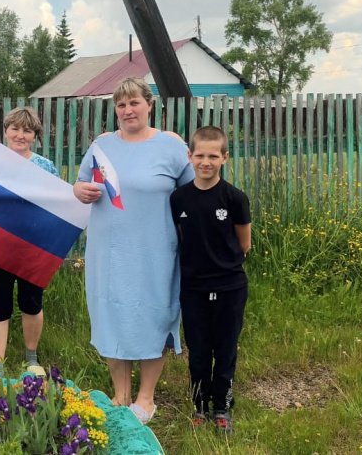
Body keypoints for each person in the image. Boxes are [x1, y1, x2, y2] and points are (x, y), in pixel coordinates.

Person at [73, 77, 194, 425]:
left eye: (134, 103)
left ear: (149, 104)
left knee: (152, 316)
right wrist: (80, 189)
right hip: (108, 252)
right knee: (112, 316)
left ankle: (146, 398)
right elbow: (81, 181)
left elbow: (193, 195)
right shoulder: (102, 145)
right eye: (121, 105)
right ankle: (121, 393)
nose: (128, 110)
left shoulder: (171, 147)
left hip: (156, 251)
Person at [169, 125, 251, 434]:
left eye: (213, 156)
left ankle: (222, 407)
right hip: (193, 288)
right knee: (199, 351)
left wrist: (223, 267)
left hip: (230, 287)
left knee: (225, 349)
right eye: (200, 155)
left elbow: (244, 244)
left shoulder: (235, 198)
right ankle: (199, 406)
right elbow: (181, 239)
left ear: (225, 158)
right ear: (189, 156)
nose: (206, 161)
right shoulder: (179, 199)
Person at [0, 107, 60, 378]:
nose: (20, 134)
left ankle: (31, 359)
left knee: (32, 303)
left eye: (27, 130)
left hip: (32, 248)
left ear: (34, 136)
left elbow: (57, 207)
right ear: (5, 132)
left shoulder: (45, 167)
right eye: (15, 128)